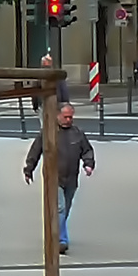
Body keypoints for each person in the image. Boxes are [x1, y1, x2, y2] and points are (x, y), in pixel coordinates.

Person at [25, 104, 96, 255]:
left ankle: (55, 232)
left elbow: (87, 150)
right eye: (66, 117)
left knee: (65, 209)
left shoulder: (77, 133)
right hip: (53, 177)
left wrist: (88, 164)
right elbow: (35, 151)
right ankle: (61, 240)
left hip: (71, 178)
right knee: (61, 208)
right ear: (58, 115)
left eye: (71, 117)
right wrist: (29, 169)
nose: (68, 120)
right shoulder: (48, 133)